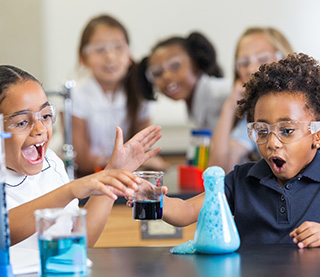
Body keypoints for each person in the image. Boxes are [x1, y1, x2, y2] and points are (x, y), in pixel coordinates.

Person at [159, 53, 320, 248]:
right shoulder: (241, 180)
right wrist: (154, 199)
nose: (272, 143)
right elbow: (186, 210)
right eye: (262, 131)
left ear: (316, 135)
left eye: (287, 131)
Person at [0, 65, 162, 250]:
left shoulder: (51, 163)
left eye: (45, 116)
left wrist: (113, 175)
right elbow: (4, 231)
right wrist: (71, 190)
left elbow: (79, 243)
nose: (40, 130)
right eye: (21, 122)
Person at [71, 14, 168, 176]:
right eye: (100, 49)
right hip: (86, 177)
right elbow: (83, 161)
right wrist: (127, 162)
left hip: (122, 177)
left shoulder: (140, 92)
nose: (110, 56)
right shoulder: (76, 94)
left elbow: (142, 147)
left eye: (118, 47)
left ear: (129, 54)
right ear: (83, 58)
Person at [209, 27, 293, 173]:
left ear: (283, 58)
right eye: (243, 63)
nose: (251, 69)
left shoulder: (308, 104)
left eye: (262, 59)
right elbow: (219, 171)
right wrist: (229, 107)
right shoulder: (254, 118)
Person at [138, 32, 232, 131]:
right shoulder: (194, 105)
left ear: (196, 61)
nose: (166, 76)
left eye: (174, 66)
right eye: (157, 73)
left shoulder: (223, 93)